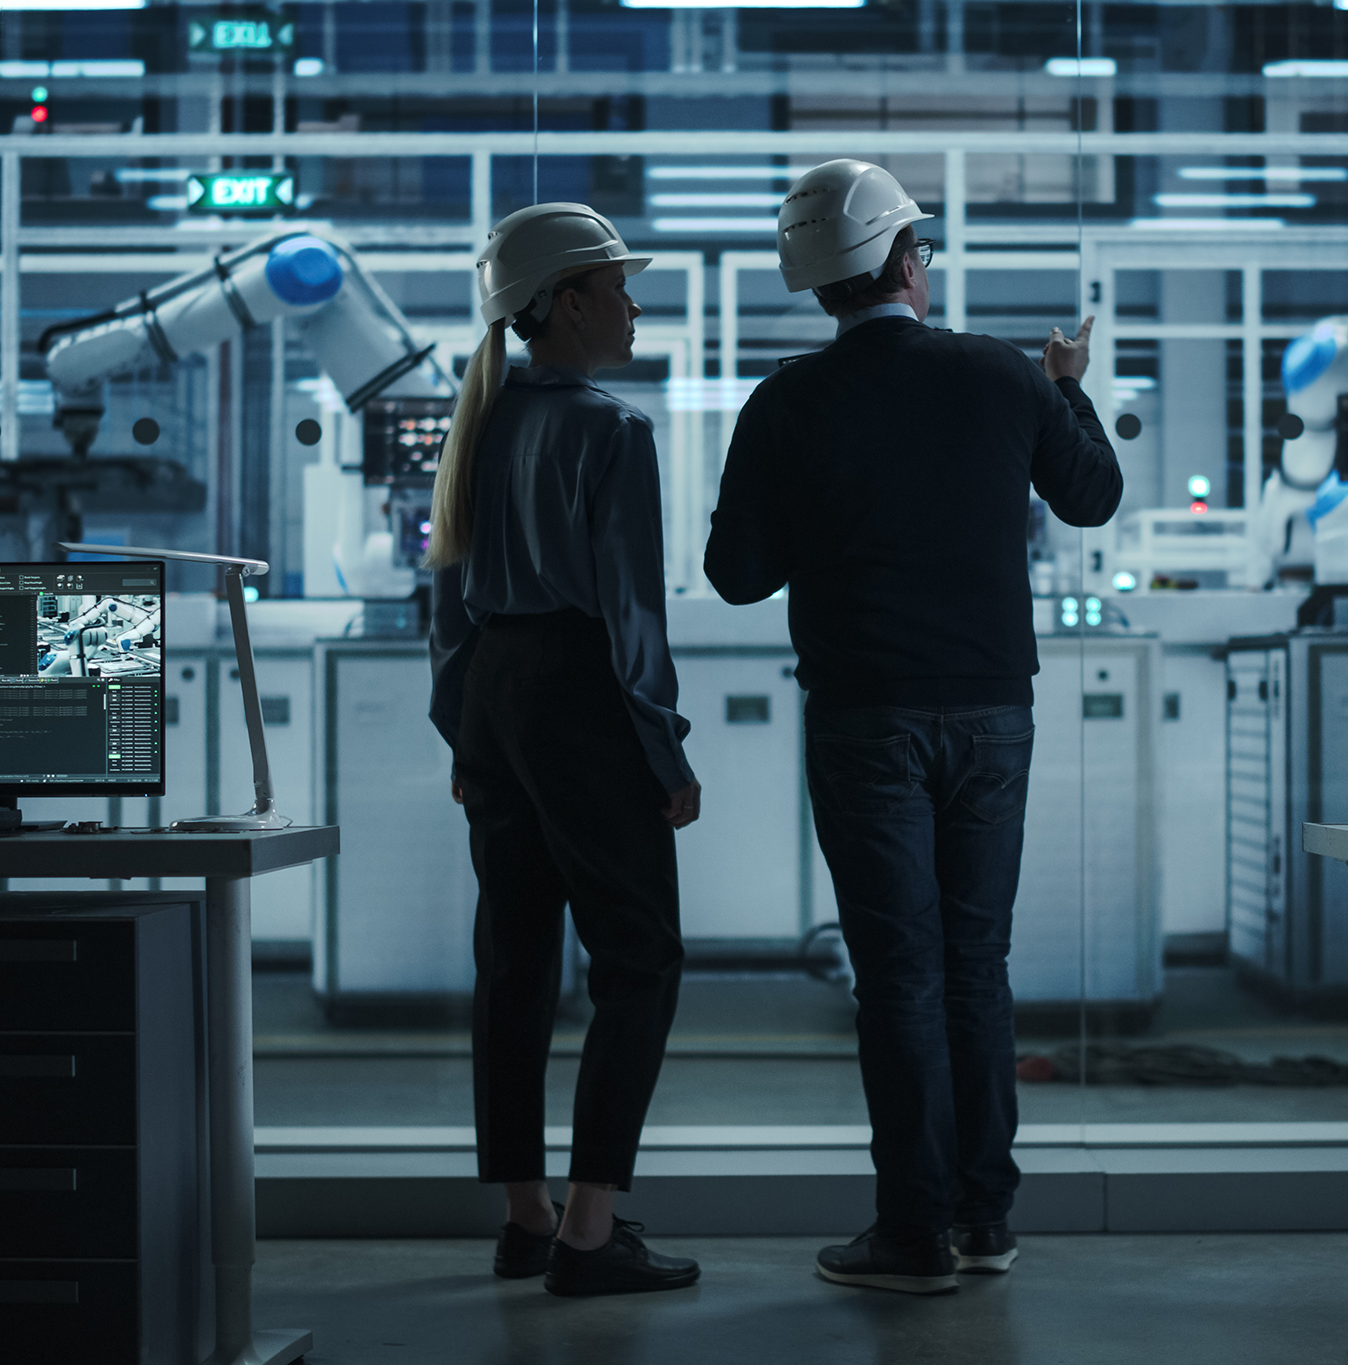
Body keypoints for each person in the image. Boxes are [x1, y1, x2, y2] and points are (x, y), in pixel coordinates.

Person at [702, 159, 1123, 1295]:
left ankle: (912, 1234)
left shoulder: (787, 402)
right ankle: (986, 1219)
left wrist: (824, 518)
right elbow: (1092, 497)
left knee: (898, 976)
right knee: (975, 967)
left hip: (864, 720)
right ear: (903, 264)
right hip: (993, 715)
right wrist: (1066, 386)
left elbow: (735, 575)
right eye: (921, 250)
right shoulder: (1002, 380)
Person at [427, 202, 704, 1298]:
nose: (633, 306)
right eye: (619, 287)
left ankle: (525, 1217)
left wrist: (464, 732)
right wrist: (666, 756)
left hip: (496, 695)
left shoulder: (479, 423)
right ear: (570, 301)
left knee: (515, 961)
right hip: (582, 699)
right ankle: (593, 1230)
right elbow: (634, 617)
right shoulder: (609, 429)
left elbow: (444, 607)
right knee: (640, 959)